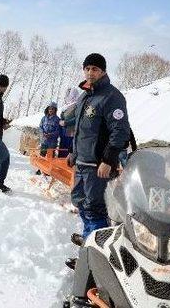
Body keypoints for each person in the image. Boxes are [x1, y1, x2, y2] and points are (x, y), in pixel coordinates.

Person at [66, 53, 131, 265]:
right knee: (81, 203)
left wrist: (109, 160)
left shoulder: (112, 97)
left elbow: (120, 131)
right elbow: (79, 129)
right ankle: (89, 240)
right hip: (82, 163)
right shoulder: (85, 96)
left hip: (98, 166)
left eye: (95, 69)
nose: (90, 72)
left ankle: (94, 259)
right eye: (87, 68)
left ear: (103, 71)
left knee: (95, 209)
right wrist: (73, 153)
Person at [59, 87, 80, 156]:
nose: (67, 96)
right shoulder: (66, 106)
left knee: (68, 149)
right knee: (62, 148)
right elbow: (63, 116)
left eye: (70, 94)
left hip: (71, 132)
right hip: (64, 131)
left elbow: (77, 118)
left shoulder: (78, 105)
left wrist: (66, 122)